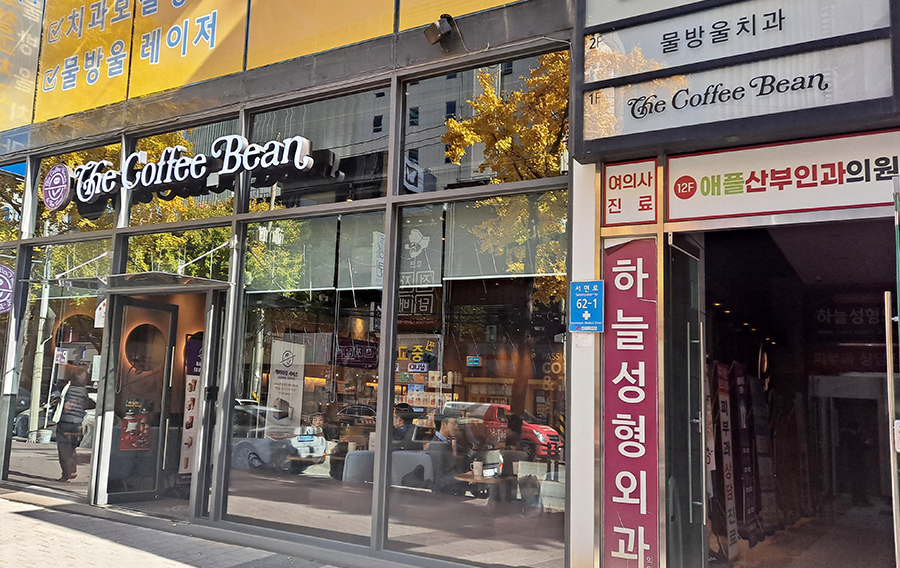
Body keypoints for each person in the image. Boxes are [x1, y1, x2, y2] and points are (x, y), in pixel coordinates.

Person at [56, 365, 91, 482]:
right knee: (72, 448)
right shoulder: (84, 392)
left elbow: (58, 392)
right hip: (78, 423)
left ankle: (67, 474)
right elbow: (86, 404)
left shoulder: (67, 389)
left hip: (65, 422)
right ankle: (73, 470)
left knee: (64, 449)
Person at [426, 413, 465, 494]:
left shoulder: (442, 443)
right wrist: (463, 477)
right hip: (445, 495)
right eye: (454, 423)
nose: (456, 426)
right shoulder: (439, 446)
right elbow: (440, 479)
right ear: (443, 424)